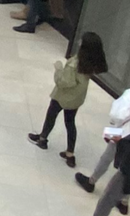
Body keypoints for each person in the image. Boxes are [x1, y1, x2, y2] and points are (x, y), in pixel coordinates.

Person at [32, 32, 106, 164]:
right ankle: (70, 152)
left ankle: (42, 139)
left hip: (62, 97)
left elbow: (63, 82)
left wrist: (58, 69)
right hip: (76, 99)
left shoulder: (74, 64)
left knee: (51, 115)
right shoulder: (91, 63)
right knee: (70, 123)